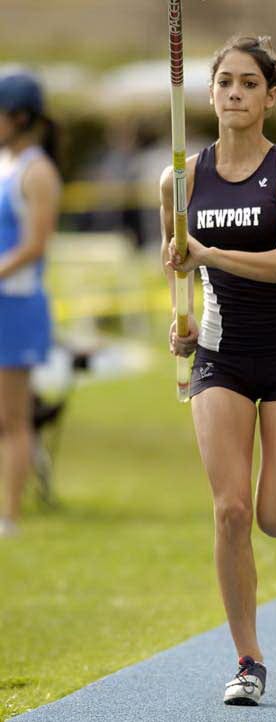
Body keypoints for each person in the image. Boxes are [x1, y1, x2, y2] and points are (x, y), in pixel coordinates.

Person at [160, 35, 276, 706]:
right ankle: (248, 659)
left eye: (248, 83)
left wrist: (209, 252)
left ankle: (254, 633)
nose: (234, 92)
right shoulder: (180, 180)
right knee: (229, 509)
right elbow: (175, 270)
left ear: (270, 95)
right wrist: (181, 321)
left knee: (275, 517)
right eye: (224, 81)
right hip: (221, 358)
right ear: (208, 93)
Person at [0, 72, 61, 537]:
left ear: (18, 118)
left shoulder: (38, 172)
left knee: (12, 417)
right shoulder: (7, 163)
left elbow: (34, 245)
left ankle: (10, 516)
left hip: (16, 306)